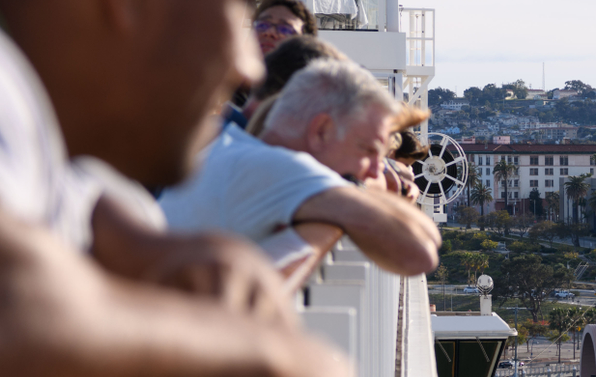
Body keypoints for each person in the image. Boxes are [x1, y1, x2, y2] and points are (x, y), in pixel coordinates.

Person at [0, 0, 362, 377]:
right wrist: (257, 360)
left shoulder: (12, 90)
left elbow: (88, 220)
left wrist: (183, 262)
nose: (245, 63)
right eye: (239, 6)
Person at [161, 58, 439, 276]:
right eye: (367, 151)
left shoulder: (235, 150)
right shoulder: (281, 169)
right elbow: (420, 251)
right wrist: (379, 190)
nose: (375, 171)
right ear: (321, 131)